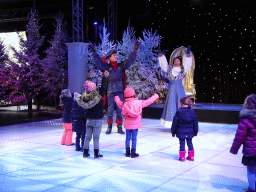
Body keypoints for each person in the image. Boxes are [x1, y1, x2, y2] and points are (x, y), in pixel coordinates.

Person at [89, 42, 140, 135]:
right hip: (111, 90)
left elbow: (129, 61)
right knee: (111, 109)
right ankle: (109, 127)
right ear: (110, 58)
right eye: (114, 55)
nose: (116, 56)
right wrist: (94, 53)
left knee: (120, 110)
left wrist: (134, 51)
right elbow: (99, 63)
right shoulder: (107, 67)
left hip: (120, 90)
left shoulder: (121, 65)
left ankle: (119, 127)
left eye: (116, 55)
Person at [115, 87, 159, 158]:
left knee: (127, 138)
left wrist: (116, 97)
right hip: (135, 124)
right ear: (133, 94)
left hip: (128, 125)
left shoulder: (124, 104)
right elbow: (148, 101)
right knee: (134, 138)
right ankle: (133, 153)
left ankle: (127, 152)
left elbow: (118, 102)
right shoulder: (139, 103)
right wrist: (156, 96)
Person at [77, 71, 108, 158]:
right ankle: (96, 153)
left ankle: (85, 152)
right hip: (97, 120)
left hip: (89, 120)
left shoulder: (85, 96)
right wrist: (105, 77)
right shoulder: (97, 96)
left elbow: (87, 86)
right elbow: (103, 89)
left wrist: (89, 78)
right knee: (96, 138)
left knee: (87, 137)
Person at [160, 45, 193, 128]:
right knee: (171, 107)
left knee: (180, 105)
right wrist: (161, 56)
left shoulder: (182, 69)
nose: (176, 62)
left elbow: (187, 64)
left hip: (179, 91)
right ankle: (171, 123)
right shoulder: (169, 69)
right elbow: (163, 65)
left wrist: (188, 56)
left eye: (178, 61)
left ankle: (181, 123)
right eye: (175, 60)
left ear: (180, 62)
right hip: (171, 91)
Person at [230, 94, 256, 192]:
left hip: (250, 151)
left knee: (251, 170)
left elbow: (239, 136)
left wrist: (234, 149)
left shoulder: (245, 118)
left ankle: (252, 189)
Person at [171, 97, 198, 162]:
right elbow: (195, 123)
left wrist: (173, 131)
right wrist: (195, 131)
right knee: (190, 142)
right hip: (190, 131)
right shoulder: (192, 112)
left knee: (182, 143)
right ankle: (191, 156)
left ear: (182, 103)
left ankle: (182, 157)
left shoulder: (178, 113)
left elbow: (175, 123)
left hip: (181, 131)